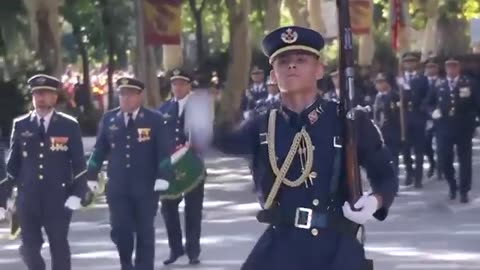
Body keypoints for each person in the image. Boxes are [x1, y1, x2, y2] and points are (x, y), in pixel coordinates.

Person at [215, 26, 398, 270]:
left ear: (319, 70)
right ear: (273, 75)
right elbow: (220, 141)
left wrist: (376, 201)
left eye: (301, 60)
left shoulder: (348, 121)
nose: (292, 66)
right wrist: (213, 108)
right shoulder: (261, 124)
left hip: (336, 246)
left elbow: (385, 174)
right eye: (283, 61)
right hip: (282, 245)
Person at [0, 74, 89, 270]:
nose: (40, 97)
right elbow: (12, 165)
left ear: (55, 97)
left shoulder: (68, 125)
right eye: (37, 93)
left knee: (59, 247)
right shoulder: (21, 125)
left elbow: (79, 164)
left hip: (58, 198)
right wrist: (3, 197)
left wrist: (78, 193)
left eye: (45, 93)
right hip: (28, 198)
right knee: (29, 248)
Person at [85, 77, 172, 270]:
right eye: (122, 94)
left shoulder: (154, 119)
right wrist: (91, 173)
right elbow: (99, 149)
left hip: (146, 187)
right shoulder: (109, 119)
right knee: (120, 230)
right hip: (118, 187)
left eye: (130, 94)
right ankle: (126, 264)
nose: (125, 98)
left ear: (139, 96)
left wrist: (163, 176)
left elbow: (164, 151)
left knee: (144, 233)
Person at [158, 68, 205, 265]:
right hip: (170, 166)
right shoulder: (164, 109)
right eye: (174, 83)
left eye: (181, 83)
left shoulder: (198, 107)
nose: (177, 87)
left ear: (188, 85)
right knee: (168, 207)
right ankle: (175, 249)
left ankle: (193, 250)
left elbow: (204, 134)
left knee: (193, 209)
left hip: (192, 166)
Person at [426, 57, 480, 203]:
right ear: (445, 68)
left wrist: (476, 121)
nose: (451, 69)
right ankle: (452, 185)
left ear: (459, 68)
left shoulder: (470, 83)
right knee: (444, 159)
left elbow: (477, 103)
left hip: (464, 127)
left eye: (454, 66)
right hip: (444, 128)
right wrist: (432, 112)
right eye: (449, 67)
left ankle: (464, 191)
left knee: (465, 160)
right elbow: (427, 103)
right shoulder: (439, 85)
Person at [398, 52, 430, 188]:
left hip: (418, 117)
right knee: (405, 149)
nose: (409, 64)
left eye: (412, 62)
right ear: (403, 64)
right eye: (407, 62)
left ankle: (418, 178)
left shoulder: (422, 79)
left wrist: (424, 110)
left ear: (416, 64)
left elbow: (428, 97)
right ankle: (409, 173)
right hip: (404, 118)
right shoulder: (399, 79)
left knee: (419, 150)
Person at [373, 73, 402, 177]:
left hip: (392, 130)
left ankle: (394, 178)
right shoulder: (376, 97)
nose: (379, 85)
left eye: (381, 82)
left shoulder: (395, 96)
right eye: (377, 83)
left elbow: (399, 114)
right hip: (380, 131)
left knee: (393, 156)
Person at [423, 57, 442, 180]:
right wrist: (430, 112)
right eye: (429, 67)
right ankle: (432, 163)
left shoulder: (442, 81)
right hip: (427, 118)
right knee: (426, 144)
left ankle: (440, 168)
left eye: (433, 66)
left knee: (441, 145)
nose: (431, 69)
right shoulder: (421, 81)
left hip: (441, 118)